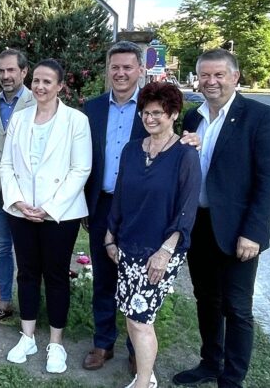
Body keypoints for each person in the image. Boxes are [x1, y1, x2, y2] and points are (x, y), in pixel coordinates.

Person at [172, 49, 270, 388]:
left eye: (219, 74)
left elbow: (269, 181)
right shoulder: (192, 118)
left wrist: (254, 231)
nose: (211, 81)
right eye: (205, 75)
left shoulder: (261, 117)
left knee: (237, 307)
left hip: (238, 230)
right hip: (199, 225)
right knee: (206, 298)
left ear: (235, 77)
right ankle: (210, 362)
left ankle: (232, 379)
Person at [104, 82, 201, 388]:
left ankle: (144, 382)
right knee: (132, 315)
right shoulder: (132, 150)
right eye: (145, 112)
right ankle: (146, 375)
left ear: (173, 114)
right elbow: (120, 196)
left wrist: (165, 252)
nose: (150, 118)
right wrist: (110, 236)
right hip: (128, 245)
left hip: (161, 250)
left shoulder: (185, 155)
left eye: (158, 113)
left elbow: (187, 209)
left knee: (140, 320)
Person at [0, 59, 91, 373]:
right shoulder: (19, 118)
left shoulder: (76, 121)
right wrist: (19, 201)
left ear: (60, 86)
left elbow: (81, 169)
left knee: (55, 275)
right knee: (26, 272)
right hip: (21, 210)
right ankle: (27, 337)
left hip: (60, 215)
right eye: (36, 80)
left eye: (47, 81)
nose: (40, 86)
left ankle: (56, 343)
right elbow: (6, 165)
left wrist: (49, 208)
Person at [82, 40, 147, 372]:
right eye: (115, 67)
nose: (120, 73)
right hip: (102, 205)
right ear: (108, 70)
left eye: (127, 67)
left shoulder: (153, 107)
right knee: (104, 278)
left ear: (140, 70)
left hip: (140, 209)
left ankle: (137, 348)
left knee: (137, 280)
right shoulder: (92, 109)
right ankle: (103, 343)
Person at [0, 49, 34, 327]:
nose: (5, 76)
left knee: (28, 252)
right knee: (1, 248)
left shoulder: (37, 101)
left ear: (24, 72)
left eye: (11, 70)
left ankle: (31, 307)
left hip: (27, 192)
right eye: (1, 71)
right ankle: (4, 303)